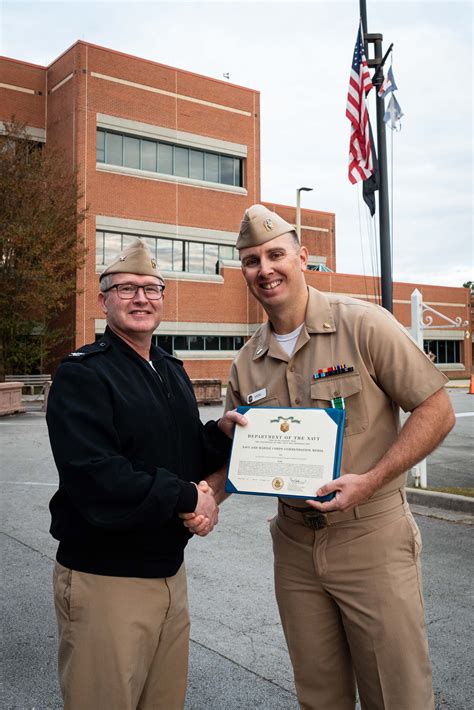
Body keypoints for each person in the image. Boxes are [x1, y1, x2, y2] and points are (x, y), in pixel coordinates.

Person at [222, 204, 455, 710]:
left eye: (276, 254)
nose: (265, 269)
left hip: (370, 535)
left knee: (398, 696)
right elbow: (237, 453)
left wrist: (371, 480)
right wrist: (206, 494)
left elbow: (437, 409)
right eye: (251, 260)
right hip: (294, 545)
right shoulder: (246, 362)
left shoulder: (363, 325)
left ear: (303, 257)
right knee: (319, 695)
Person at [46, 238, 244, 710]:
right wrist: (187, 498)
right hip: (106, 580)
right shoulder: (83, 375)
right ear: (103, 300)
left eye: (151, 289)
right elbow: (96, 476)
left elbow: (181, 450)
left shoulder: (169, 368)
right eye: (126, 288)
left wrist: (218, 433)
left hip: (170, 577)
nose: (140, 298)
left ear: (162, 297)